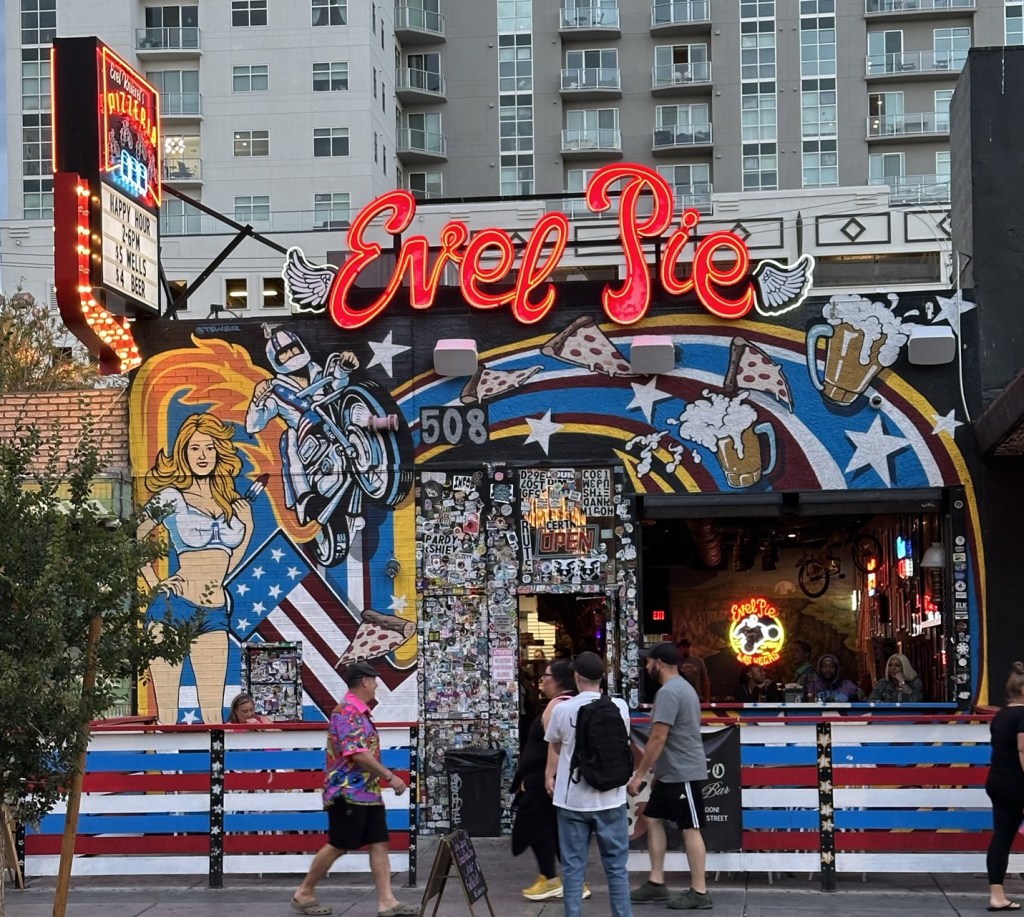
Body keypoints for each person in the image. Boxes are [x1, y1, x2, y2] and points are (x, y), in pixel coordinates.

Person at [139, 413, 254, 725]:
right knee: (167, 713)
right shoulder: (172, 497)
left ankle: (211, 775)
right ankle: (164, 773)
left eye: (208, 448)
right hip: (172, 609)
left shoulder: (230, 503)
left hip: (215, 612)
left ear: (218, 452)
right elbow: (133, 537)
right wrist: (154, 582)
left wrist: (248, 524)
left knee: (213, 714)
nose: (202, 456)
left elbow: (229, 563)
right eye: (194, 449)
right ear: (183, 453)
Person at [291, 662, 417, 917]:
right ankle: (304, 892)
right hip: (346, 792)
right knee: (339, 844)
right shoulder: (347, 713)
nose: (377, 685)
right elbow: (357, 753)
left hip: (367, 793)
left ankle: (387, 901)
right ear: (365, 682)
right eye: (375, 680)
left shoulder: (359, 712)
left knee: (380, 841)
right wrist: (390, 776)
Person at [544, 651, 632, 917]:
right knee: (616, 868)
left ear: (577, 677)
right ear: (601, 678)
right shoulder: (620, 707)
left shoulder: (563, 709)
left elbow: (556, 745)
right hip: (611, 798)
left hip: (573, 799)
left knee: (573, 868)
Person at [629, 642, 712, 910]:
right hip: (672, 771)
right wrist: (659, 773)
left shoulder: (669, 692)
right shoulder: (682, 689)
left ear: (660, 663)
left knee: (690, 828)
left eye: (648, 661)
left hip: (682, 771)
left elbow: (658, 736)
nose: (646, 666)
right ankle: (656, 882)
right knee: (652, 818)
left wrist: (640, 774)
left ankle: (700, 892)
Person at [513, 660, 589, 901]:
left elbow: (549, 746)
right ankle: (574, 880)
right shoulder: (570, 705)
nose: (542, 680)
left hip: (544, 780)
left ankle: (551, 878)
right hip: (555, 778)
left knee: (536, 828)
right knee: (554, 830)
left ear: (557, 680)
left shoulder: (557, 705)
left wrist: (536, 777)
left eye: (546, 675)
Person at [984, 661, 1024, 912]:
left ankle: (997, 895)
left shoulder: (1001, 714)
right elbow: (1023, 749)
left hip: (997, 781)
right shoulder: (1023, 715)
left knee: (1002, 837)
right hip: (1018, 783)